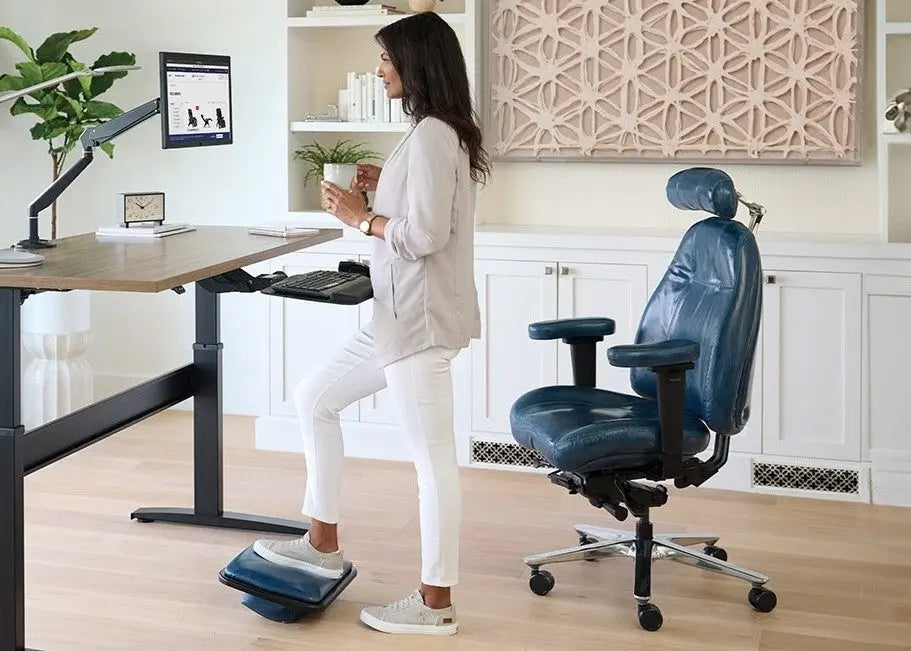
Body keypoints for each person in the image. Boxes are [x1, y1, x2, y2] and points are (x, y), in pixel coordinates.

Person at [253, 11, 490, 637]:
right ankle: (322, 540)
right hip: (394, 313)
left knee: (431, 462)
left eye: (385, 58)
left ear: (414, 64)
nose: (378, 69)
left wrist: (360, 217)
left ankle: (436, 603)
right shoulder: (432, 134)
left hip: (418, 320)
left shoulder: (436, 134)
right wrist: (384, 190)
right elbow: (421, 211)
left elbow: (426, 235)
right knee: (315, 399)